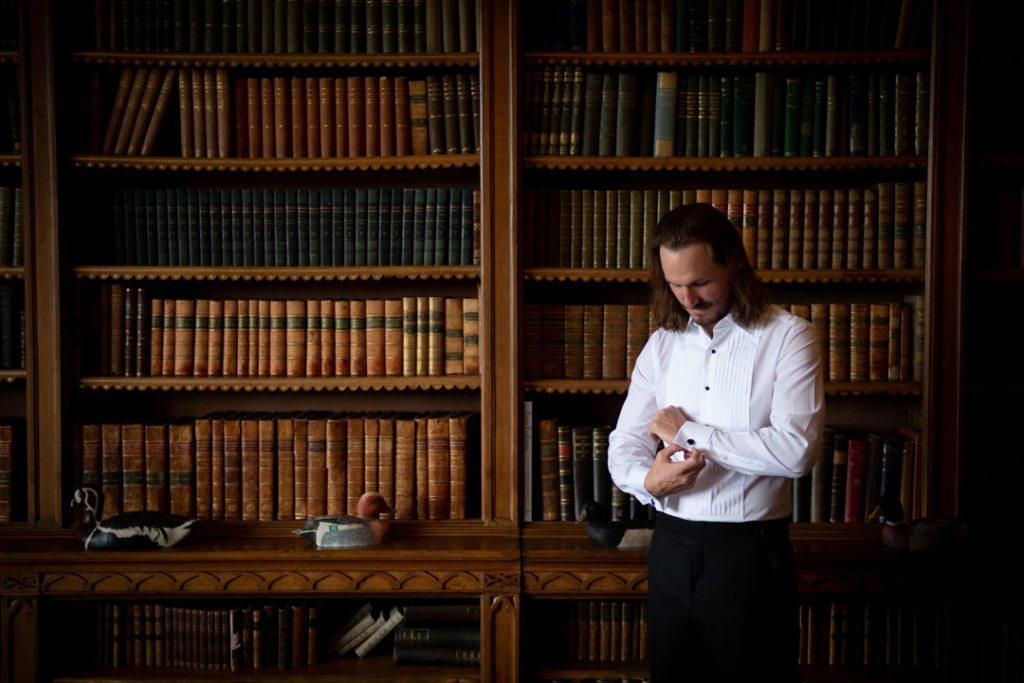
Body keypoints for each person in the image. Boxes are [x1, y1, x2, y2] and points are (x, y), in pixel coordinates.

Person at [608, 203, 825, 682]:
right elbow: (623, 441)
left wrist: (687, 432)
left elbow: (796, 451)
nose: (688, 297)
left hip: (750, 555)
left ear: (735, 261)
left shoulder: (791, 337)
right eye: (675, 284)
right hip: (670, 548)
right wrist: (648, 481)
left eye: (701, 281)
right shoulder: (661, 345)